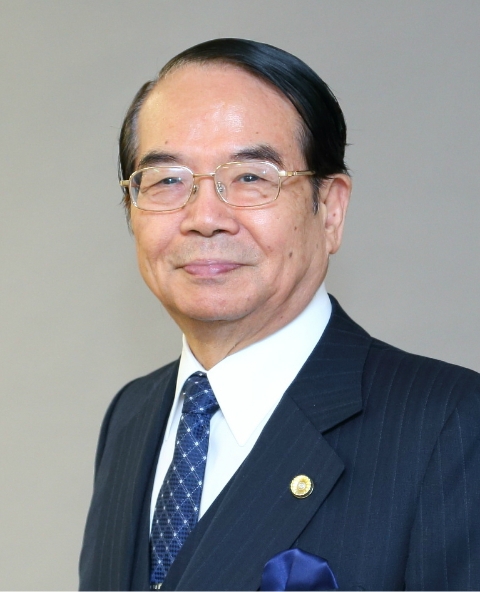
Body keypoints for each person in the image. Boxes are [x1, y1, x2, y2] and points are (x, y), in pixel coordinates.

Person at [79, 39, 480, 591]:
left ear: (330, 209)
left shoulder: (449, 426)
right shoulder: (132, 416)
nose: (205, 217)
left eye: (251, 177)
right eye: (168, 180)